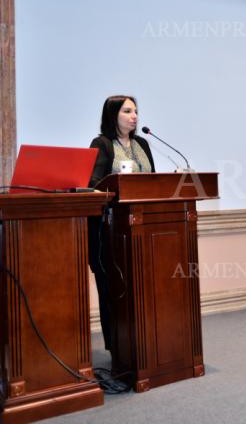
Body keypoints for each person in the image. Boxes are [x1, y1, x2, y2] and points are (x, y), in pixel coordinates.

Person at [88, 95, 155, 350]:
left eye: (136, 111)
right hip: (110, 231)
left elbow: (154, 183)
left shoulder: (143, 144)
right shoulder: (102, 144)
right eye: (127, 111)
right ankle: (116, 345)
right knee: (112, 290)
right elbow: (94, 183)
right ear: (112, 115)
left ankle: (144, 341)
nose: (134, 116)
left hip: (142, 227)